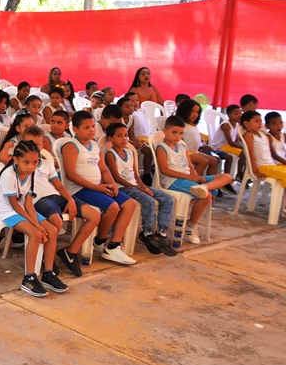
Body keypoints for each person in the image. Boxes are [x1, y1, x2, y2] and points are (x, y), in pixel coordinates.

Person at [18, 126, 102, 275]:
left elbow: (58, 185)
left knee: (94, 215)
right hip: (39, 200)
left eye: (37, 144)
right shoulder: (20, 164)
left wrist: (69, 199)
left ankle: (70, 252)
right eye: (29, 143)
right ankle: (46, 258)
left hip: (56, 195)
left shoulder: (47, 164)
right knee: (56, 221)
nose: (33, 147)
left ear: (43, 145)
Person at [61, 111, 139, 264]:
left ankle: (113, 245)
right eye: (86, 127)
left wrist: (111, 184)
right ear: (75, 129)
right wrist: (98, 188)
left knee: (130, 204)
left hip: (97, 187)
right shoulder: (71, 145)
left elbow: (103, 169)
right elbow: (70, 174)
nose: (91, 130)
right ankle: (101, 240)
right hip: (79, 189)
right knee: (113, 206)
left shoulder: (95, 145)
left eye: (92, 127)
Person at [0, 141, 68, 297]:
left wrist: (37, 223)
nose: (31, 166)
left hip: (22, 207)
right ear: (16, 160)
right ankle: (29, 278)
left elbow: (28, 202)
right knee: (35, 234)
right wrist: (35, 226)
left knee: (52, 230)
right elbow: (14, 205)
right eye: (26, 162)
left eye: (35, 162)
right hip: (6, 209)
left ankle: (48, 274)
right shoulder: (8, 175)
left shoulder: (31, 174)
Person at [103, 123, 178, 256]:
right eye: (119, 136)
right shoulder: (110, 154)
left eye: (126, 135)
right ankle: (147, 232)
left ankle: (161, 232)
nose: (124, 138)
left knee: (168, 198)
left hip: (135, 185)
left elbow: (136, 175)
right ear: (111, 139)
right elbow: (116, 177)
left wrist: (143, 186)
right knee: (148, 201)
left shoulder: (130, 152)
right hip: (124, 188)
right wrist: (139, 189)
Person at [156, 116, 233, 244]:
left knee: (227, 177)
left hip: (188, 178)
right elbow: (164, 170)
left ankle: (204, 187)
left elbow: (190, 166)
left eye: (180, 133)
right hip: (173, 181)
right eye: (174, 132)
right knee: (206, 197)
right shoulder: (162, 148)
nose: (177, 136)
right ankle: (191, 226)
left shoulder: (182, 145)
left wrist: (197, 177)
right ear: (165, 131)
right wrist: (189, 177)